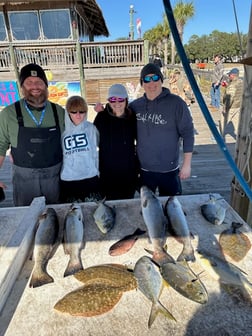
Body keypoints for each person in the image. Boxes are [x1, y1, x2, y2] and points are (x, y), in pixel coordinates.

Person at [0, 63, 65, 206]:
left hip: (54, 177)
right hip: (24, 179)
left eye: (39, 82)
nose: (35, 86)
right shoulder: (9, 113)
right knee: (26, 219)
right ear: (22, 87)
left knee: (55, 217)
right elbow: (1, 145)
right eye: (29, 82)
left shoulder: (58, 111)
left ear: (46, 86)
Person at [129, 63, 194, 196]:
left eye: (155, 78)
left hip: (169, 169)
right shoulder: (134, 106)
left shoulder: (176, 103)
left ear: (161, 80)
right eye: (147, 79)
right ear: (142, 83)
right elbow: (118, 120)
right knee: (148, 209)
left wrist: (187, 165)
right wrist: (102, 112)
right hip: (144, 170)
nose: (151, 83)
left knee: (172, 209)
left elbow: (188, 134)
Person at [93, 84, 138, 200]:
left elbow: (140, 140)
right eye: (113, 99)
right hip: (107, 173)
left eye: (120, 99)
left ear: (126, 100)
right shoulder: (101, 117)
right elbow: (93, 141)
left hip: (128, 173)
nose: (117, 103)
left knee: (127, 205)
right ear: (108, 100)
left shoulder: (132, 118)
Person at [60, 95, 100, 203]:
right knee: (72, 213)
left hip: (90, 177)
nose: (78, 115)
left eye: (81, 111)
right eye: (74, 112)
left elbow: (103, 145)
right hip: (68, 179)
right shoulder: (62, 132)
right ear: (68, 113)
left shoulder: (92, 128)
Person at [221, 67, 243, 142]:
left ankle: (220, 137)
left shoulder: (233, 85)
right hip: (238, 106)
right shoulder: (241, 82)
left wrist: (225, 108)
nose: (229, 76)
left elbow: (230, 97)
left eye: (229, 75)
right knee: (236, 123)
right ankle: (239, 138)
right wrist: (227, 86)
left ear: (233, 75)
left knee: (223, 121)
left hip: (231, 107)